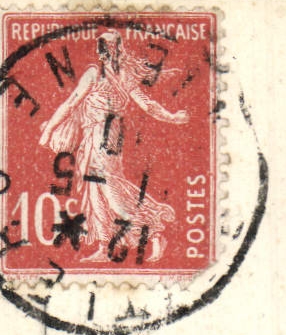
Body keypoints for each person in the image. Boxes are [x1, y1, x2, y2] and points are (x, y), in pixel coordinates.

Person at [37, 30, 188, 262]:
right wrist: (48, 131)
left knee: (111, 191)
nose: (104, 53)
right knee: (95, 191)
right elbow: (70, 104)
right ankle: (104, 245)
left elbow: (147, 105)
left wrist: (172, 117)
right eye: (102, 48)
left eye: (108, 48)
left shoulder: (123, 76)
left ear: (117, 49)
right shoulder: (93, 74)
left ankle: (155, 230)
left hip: (108, 136)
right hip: (92, 137)